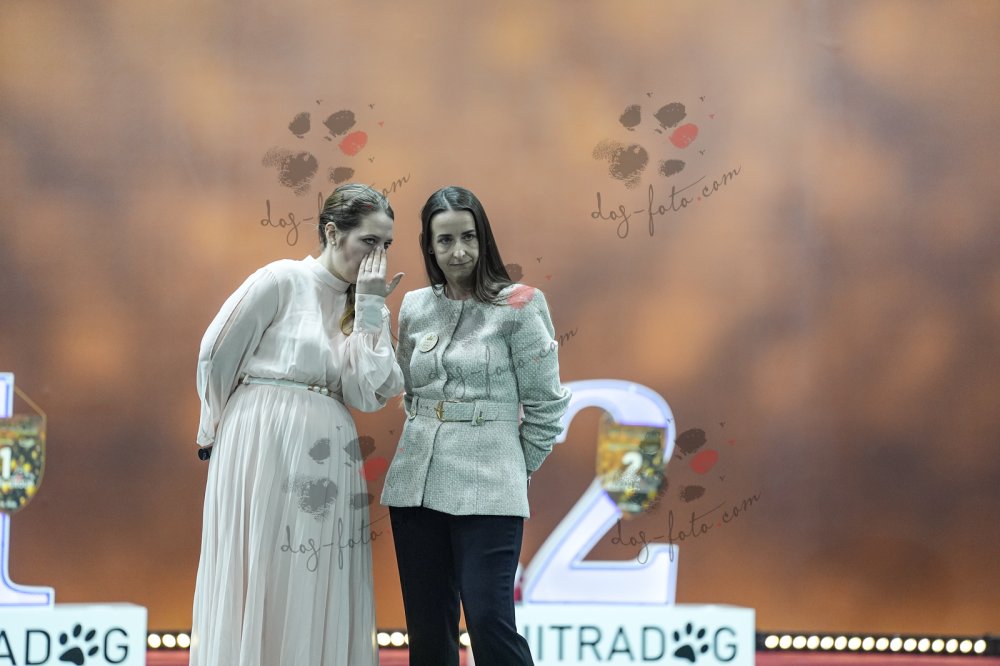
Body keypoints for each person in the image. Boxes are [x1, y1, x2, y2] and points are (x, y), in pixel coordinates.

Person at [190, 183, 404, 666]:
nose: (378, 257)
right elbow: (216, 352)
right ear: (332, 233)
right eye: (369, 242)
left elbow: (368, 391)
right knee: (260, 562)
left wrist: (371, 308)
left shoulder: (366, 306)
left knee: (315, 569)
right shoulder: (282, 279)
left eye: (386, 245)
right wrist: (215, 425)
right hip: (261, 438)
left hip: (328, 450)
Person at [380, 186, 572, 666]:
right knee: (428, 633)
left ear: (484, 238)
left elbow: (547, 406)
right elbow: (405, 390)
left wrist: (514, 469)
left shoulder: (521, 304)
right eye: (445, 240)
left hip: (491, 488)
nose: (459, 251)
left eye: (468, 237)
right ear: (429, 246)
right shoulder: (414, 306)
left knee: (489, 622)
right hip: (415, 485)